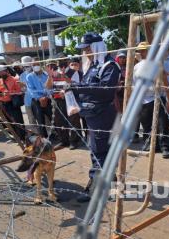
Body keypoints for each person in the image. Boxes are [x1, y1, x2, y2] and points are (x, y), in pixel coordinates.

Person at [70, 32, 121, 202]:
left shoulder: (110, 66)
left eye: (87, 49)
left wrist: (77, 88)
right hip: (91, 114)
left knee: (98, 151)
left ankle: (95, 187)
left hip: (103, 114)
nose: (85, 52)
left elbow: (106, 90)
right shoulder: (92, 66)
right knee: (100, 150)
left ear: (96, 47)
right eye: (84, 50)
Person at [46, 57, 82, 149]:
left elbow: (75, 85)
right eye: (59, 60)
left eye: (63, 60)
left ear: (67, 61)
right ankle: (64, 141)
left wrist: (64, 76)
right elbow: (48, 87)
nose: (61, 62)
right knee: (59, 121)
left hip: (70, 100)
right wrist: (50, 77)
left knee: (73, 121)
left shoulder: (73, 72)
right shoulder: (54, 73)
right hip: (58, 100)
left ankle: (74, 141)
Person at [133, 42, 155, 149]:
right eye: (140, 51)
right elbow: (134, 82)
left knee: (157, 123)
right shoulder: (136, 66)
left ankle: (158, 144)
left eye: (143, 50)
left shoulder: (155, 63)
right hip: (141, 99)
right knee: (145, 123)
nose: (141, 53)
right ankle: (147, 143)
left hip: (155, 98)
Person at [0, 65, 26, 140]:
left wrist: (9, 92)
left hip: (13, 103)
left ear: (6, 71)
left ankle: (23, 137)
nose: (0, 74)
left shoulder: (14, 79)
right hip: (4, 104)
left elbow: (20, 91)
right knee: (9, 121)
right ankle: (16, 137)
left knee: (18, 120)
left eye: (1, 72)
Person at [25, 62, 53, 138]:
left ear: (41, 65)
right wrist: (40, 98)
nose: (36, 66)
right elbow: (31, 90)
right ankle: (44, 138)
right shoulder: (29, 77)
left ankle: (56, 135)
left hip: (47, 99)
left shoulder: (46, 75)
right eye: (34, 65)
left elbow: (51, 87)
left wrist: (46, 97)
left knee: (53, 118)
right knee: (40, 120)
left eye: (37, 64)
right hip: (36, 101)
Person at [18, 56, 37, 134]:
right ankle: (35, 133)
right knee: (30, 117)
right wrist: (22, 87)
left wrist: (27, 86)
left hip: (37, 99)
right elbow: (22, 89)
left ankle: (48, 132)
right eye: (25, 66)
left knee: (42, 117)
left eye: (28, 66)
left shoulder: (36, 73)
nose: (26, 68)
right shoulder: (22, 75)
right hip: (27, 100)